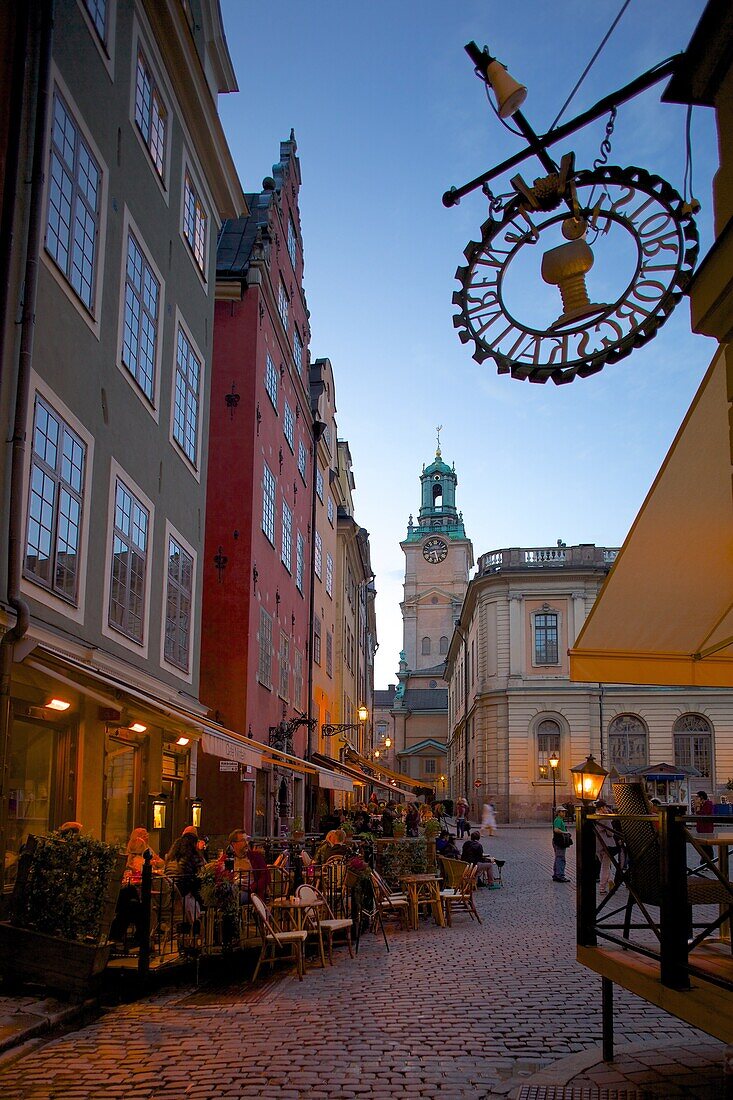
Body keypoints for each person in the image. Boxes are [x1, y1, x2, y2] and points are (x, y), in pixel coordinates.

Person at [216, 830, 269, 901]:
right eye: (243, 840)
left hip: (251, 892)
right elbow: (219, 876)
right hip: (232, 890)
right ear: (233, 844)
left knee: (235, 897)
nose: (246, 843)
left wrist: (251, 887)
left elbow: (266, 877)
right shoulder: (226, 858)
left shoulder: (256, 856)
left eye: (247, 840)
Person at [594, 799, 616, 895]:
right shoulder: (605, 818)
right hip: (607, 844)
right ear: (602, 807)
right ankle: (602, 887)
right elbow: (610, 833)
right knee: (605, 866)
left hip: (597, 844)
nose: (606, 808)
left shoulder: (594, 817)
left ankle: (611, 879)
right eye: (605, 807)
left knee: (604, 865)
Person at [694, 790, 715, 866]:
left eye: (697, 797)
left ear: (701, 797)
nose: (696, 798)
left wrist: (698, 807)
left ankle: (708, 862)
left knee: (707, 846)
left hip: (706, 828)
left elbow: (703, 814)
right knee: (702, 846)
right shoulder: (701, 804)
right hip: (700, 828)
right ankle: (705, 862)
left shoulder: (708, 804)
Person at [552, 811, 571, 883]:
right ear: (558, 813)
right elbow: (556, 829)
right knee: (561, 858)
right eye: (562, 812)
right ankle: (560, 875)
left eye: (564, 812)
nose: (564, 813)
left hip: (558, 841)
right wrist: (565, 832)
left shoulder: (559, 820)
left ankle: (556, 875)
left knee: (558, 857)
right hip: (559, 841)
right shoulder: (558, 820)